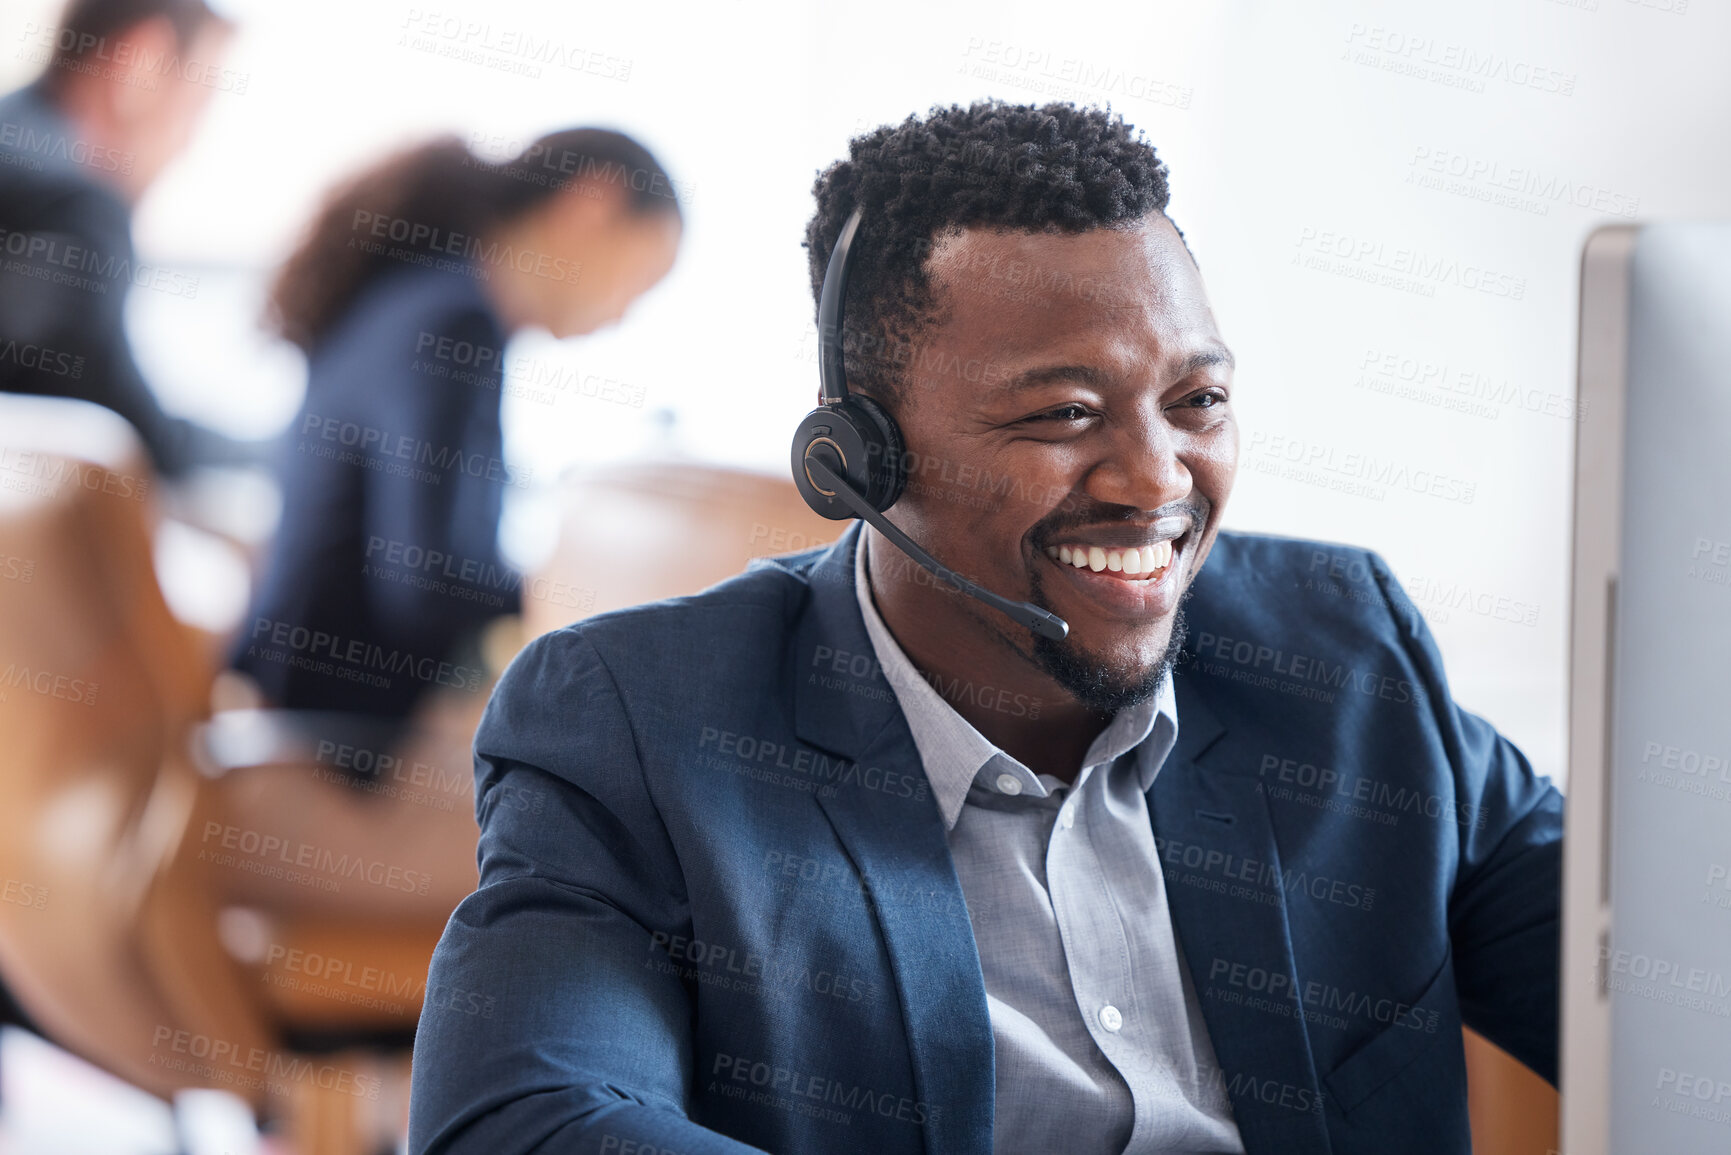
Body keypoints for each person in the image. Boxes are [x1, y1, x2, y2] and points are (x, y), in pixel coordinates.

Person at [408, 102, 1560, 1155]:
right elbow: (527, 1122)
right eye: (1064, 413)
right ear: (859, 459)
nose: (1156, 480)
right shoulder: (643, 724)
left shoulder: (1342, 664)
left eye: (1197, 401)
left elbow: (1653, 978)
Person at [229, 128, 682, 732]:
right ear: (590, 203)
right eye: (638, 278)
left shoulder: (410, 296)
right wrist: (578, 596)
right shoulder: (455, 324)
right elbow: (429, 588)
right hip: (336, 733)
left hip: (290, 698)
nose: (622, 314)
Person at [0, 0, 256, 477]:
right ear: (141, 62)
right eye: (194, 109)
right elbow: (141, 443)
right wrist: (282, 453)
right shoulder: (73, 207)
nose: (185, 149)